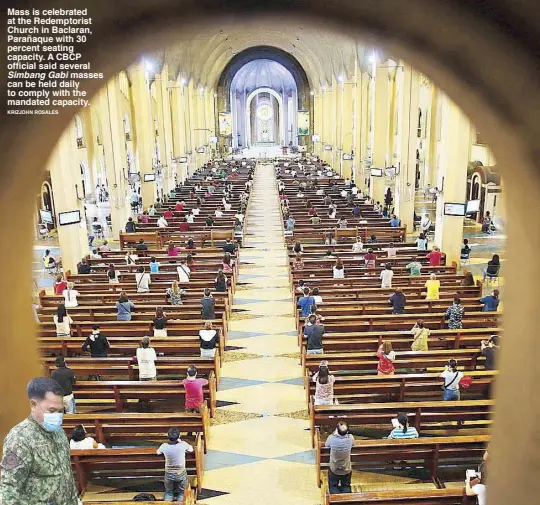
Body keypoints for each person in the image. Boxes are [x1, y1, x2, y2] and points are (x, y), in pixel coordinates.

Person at [0, 377, 79, 504]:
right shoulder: (20, 439)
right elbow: (9, 490)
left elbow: (66, 475)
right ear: (34, 405)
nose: (57, 416)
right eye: (52, 411)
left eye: (60, 411)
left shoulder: (59, 432)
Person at [157, 427, 194, 503]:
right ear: (179, 436)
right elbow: (191, 449)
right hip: (180, 473)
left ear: (168, 436)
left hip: (169, 473)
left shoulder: (164, 446)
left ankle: (167, 502)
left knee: (168, 492)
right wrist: (180, 441)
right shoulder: (183, 444)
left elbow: (158, 452)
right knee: (181, 493)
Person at [324, 422, 355, 494]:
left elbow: (326, 445)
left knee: (333, 486)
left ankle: (335, 499)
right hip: (346, 469)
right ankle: (345, 499)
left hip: (334, 469)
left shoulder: (331, 438)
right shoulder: (350, 438)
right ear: (347, 431)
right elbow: (353, 443)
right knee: (346, 486)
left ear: (336, 430)